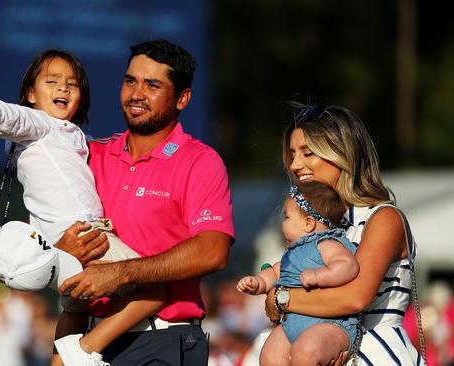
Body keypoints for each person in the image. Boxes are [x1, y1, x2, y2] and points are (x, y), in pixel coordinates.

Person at [0, 49, 166, 366]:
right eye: (51, 81)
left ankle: (64, 359)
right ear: (30, 94)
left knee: (74, 309)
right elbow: (9, 113)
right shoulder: (40, 124)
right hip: (85, 238)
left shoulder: (73, 136)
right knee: (158, 287)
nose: (63, 88)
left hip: (58, 250)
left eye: (72, 84)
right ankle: (86, 350)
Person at [56, 39, 235, 365]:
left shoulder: (200, 161)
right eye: (130, 81)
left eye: (152, 85)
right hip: (89, 341)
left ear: (182, 98)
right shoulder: (90, 155)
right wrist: (60, 250)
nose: (136, 94)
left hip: (162, 338)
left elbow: (213, 250)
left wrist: (121, 274)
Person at [264, 101, 424, 365]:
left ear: (342, 154)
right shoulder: (313, 225)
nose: (294, 165)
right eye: (292, 154)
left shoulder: (383, 218)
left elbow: (355, 297)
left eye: (307, 153)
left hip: (377, 352)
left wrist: (281, 298)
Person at [237, 182, 360, 365]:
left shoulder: (327, 244)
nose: (282, 223)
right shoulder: (292, 253)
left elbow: (348, 266)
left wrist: (319, 276)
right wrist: (258, 282)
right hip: (292, 322)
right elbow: (274, 272)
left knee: (306, 352)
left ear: (308, 223)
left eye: (286, 217)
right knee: (269, 356)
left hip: (330, 323)